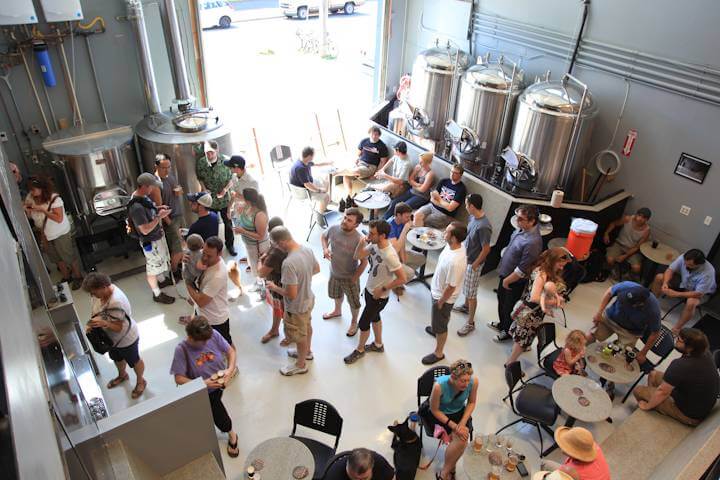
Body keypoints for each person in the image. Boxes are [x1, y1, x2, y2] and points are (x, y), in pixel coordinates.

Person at [170, 316, 239, 458]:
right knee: (217, 412)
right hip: (200, 390)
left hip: (218, 386)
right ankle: (231, 434)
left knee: (215, 409)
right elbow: (179, 378)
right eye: (202, 342)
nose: (206, 343)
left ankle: (231, 433)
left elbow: (230, 352)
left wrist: (230, 369)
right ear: (190, 337)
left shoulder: (213, 334)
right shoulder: (181, 350)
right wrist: (203, 384)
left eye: (207, 340)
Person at [344, 220, 407, 364]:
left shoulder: (389, 255)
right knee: (375, 317)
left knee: (364, 322)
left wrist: (384, 289)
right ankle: (378, 344)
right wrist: (362, 242)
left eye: (372, 233)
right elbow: (357, 256)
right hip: (370, 289)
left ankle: (360, 350)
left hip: (379, 296)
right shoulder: (374, 244)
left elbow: (402, 278)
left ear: (382, 235)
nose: (369, 235)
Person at [634, 328, 720, 426]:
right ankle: (655, 403)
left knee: (638, 391)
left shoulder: (681, 365)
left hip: (689, 415)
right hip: (694, 400)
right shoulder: (703, 352)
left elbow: (663, 391)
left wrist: (648, 406)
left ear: (690, 347)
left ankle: (652, 408)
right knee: (653, 375)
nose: (676, 340)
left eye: (679, 339)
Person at [266, 226, 320, 376]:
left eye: (275, 244)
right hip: (309, 298)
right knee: (307, 326)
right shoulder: (307, 250)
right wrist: (303, 280)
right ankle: (307, 352)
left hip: (296, 307)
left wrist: (274, 287)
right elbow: (316, 269)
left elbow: (291, 294)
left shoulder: (288, 263)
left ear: (282, 242)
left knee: (299, 336)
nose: (275, 247)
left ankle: (301, 364)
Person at [83, 273, 146, 399]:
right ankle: (122, 375)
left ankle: (141, 381)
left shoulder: (116, 302)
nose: (92, 295)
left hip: (126, 339)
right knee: (117, 358)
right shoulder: (100, 294)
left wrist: (104, 323)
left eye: (94, 292)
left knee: (134, 360)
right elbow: (98, 311)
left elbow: (118, 328)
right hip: (111, 339)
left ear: (104, 287)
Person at [505, 247, 571, 366]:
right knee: (522, 341)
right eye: (560, 265)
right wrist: (555, 302)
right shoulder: (542, 274)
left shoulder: (543, 270)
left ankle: (516, 352)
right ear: (552, 261)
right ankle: (510, 362)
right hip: (530, 313)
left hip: (532, 311)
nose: (562, 268)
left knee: (522, 336)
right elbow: (534, 298)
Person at [489, 204, 542, 342]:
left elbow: (523, 268)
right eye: (517, 217)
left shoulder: (533, 242)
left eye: (521, 219)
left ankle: (506, 331)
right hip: (505, 274)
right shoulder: (521, 229)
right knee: (501, 300)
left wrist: (507, 281)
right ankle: (502, 324)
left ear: (532, 221)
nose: (517, 221)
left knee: (509, 306)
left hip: (514, 281)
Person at [24, 176, 83, 290]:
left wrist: (42, 210)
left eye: (34, 189)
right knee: (55, 257)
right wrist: (28, 209)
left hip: (59, 232)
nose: (32, 192)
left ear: (42, 188)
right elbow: (28, 208)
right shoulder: (31, 197)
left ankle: (78, 277)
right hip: (45, 233)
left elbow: (58, 218)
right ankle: (66, 276)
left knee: (68, 255)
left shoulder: (54, 199)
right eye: (30, 189)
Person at [422, 222, 467, 365]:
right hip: (438, 292)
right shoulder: (454, 245)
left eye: (446, 231)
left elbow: (451, 287)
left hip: (443, 298)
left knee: (441, 325)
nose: (443, 233)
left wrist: (440, 303)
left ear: (453, 238)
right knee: (439, 321)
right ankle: (436, 329)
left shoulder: (456, 262)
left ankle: (439, 352)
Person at [425, 359, 478, 480]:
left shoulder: (473, 382)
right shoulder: (439, 386)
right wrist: (454, 426)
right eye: (463, 381)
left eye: (468, 380)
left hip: (459, 413)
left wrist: (462, 424)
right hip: (440, 414)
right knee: (461, 441)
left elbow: (472, 402)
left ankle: (444, 471)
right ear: (453, 378)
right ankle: (448, 470)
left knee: (462, 440)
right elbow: (434, 410)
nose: (466, 384)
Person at [128, 173, 175, 304]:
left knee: (159, 263)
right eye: (152, 187)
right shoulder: (136, 207)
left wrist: (159, 208)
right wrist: (159, 217)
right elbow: (144, 229)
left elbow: (149, 210)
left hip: (157, 237)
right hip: (151, 241)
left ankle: (162, 280)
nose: (153, 190)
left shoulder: (142, 197)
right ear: (144, 186)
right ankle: (157, 294)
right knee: (152, 268)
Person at [587, 281, 661, 363]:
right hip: (611, 318)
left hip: (630, 331)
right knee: (590, 336)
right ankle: (583, 358)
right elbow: (609, 293)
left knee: (619, 358)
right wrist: (599, 313)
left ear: (639, 304)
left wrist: (643, 353)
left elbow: (655, 333)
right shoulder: (626, 286)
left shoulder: (653, 309)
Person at [321, 208, 367, 336]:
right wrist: (325, 249)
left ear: (356, 225)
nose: (345, 221)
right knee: (336, 295)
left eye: (349, 220)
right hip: (334, 272)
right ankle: (337, 311)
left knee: (354, 302)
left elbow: (364, 263)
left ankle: (354, 322)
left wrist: (354, 278)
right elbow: (324, 237)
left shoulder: (359, 240)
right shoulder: (334, 228)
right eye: (345, 217)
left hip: (349, 277)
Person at [652, 249, 717, 335]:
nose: (686, 265)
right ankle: (651, 304)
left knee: (691, 302)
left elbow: (699, 293)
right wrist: (665, 283)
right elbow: (670, 270)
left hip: (702, 293)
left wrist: (676, 294)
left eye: (690, 265)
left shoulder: (708, 272)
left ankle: (676, 328)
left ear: (699, 264)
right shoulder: (683, 258)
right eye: (685, 262)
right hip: (684, 283)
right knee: (659, 277)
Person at [454, 194, 492, 336]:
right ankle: (465, 307)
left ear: (471, 206)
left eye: (466, 204)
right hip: (468, 259)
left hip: (474, 263)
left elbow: (486, 248)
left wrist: (475, 264)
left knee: (471, 293)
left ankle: (470, 323)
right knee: (467, 288)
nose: (465, 207)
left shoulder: (484, 226)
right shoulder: (473, 218)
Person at [186, 236, 231, 345]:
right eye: (203, 252)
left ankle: (232, 362)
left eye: (209, 256)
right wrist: (187, 263)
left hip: (215, 320)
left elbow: (201, 302)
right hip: (202, 314)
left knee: (225, 345)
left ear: (219, 254)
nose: (204, 257)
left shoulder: (218, 275)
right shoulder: (203, 256)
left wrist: (187, 281)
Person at [195, 140, 237, 256]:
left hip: (224, 200)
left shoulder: (226, 161)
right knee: (211, 225)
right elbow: (200, 178)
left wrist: (225, 190)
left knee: (228, 224)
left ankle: (230, 245)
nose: (209, 155)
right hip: (210, 200)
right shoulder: (201, 163)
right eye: (207, 153)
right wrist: (203, 188)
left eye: (212, 153)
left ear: (217, 151)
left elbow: (232, 178)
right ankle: (214, 249)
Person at [151, 154, 185, 277]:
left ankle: (178, 267)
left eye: (169, 167)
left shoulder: (170, 177)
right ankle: (174, 273)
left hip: (177, 215)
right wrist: (169, 223)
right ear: (156, 166)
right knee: (177, 250)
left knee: (178, 244)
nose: (167, 170)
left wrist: (179, 191)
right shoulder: (155, 184)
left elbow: (177, 191)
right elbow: (159, 208)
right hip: (170, 219)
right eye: (164, 168)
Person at [232, 188, 270, 291]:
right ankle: (259, 284)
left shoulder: (259, 215)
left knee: (261, 269)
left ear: (247, 200)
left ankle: (264, 290)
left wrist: (243, 231)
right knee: (254, 267)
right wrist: (239, 214)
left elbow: (260, 236)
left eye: (242, 196)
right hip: (249, 245)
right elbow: (240, 220)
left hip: (259, 246)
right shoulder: (246, 207)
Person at [258, 217, 288, 344]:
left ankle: (289, 335)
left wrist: (260, 261)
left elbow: (261, 273)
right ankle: (275, 329)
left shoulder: (276, 251)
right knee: (278, 309)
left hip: (280, 285)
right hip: (279, 282)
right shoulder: (284, 241)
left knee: (287, 311)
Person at [338, 126, 389, 201]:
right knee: (346, 176)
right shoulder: (364, 141)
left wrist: (375, 174)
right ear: (369, 134)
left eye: (376, 134)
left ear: (379, 135)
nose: (374, 136)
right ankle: (348, 196)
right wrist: (356, 160)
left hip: (370, 167)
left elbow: (383, 162)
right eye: (372, 134)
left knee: (356, 171)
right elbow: (358, 154)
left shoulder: (382, 146)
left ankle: (337, 172)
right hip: (360, 164)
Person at [540, 427, 610, 480]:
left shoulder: (569, 471)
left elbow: (566, 472)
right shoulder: (593, 446)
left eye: (564, 444)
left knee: (544, 463)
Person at [383, 151, 435, 220]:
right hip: (412, 191)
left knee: (403, 207)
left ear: (428, 163)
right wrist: (417, 185)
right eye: (420, 161)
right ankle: (383, 220)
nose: (420, 163)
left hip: (421, 196)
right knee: (394, 202)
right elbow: (410, 180)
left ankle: (392, 223)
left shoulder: (430, 174)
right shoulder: (418, 167)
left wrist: (414, 185)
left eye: (422, 162)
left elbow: (423, 190)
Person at [413, 163, 467, 230]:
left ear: (460, 175)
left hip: (445, 214)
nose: (452, 174)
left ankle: (422, 237)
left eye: (455, 173)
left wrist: (439, 199)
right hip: (431, 206)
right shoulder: (444, 181)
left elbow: (450, 208)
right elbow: (432, 198)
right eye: (451, 171)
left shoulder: (461, 189)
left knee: (425, 220)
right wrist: (443, 204)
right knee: (417, 215)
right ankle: (418, 237)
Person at [603, 207, 652, 278]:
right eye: (639, 215)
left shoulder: (646, 230)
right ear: (636, 214)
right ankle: (613, 269)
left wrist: (625, 256)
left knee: (636, 268)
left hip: (632, 249)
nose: (639, 218)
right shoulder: (628, 219)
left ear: (647, 220)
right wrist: (606, 233)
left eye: (643, 217)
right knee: (610, 259)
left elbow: (637, 247)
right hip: (619, 244)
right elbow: (613, 223)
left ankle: (627, 275)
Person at [387, 202, 425, 283]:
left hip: (396, 252)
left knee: (422, 258)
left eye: (409, 216)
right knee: (411, 273)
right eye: (406, 217)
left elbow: (402, 244)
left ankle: (400, 278)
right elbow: (396, 249)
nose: (408, 219)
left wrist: (403, 261)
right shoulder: (389, 226)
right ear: (398, 215)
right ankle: (395, 282)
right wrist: (405, 229)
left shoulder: (402, 223)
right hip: (389, 256)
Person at [290, 146, 332, 216]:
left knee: (324, 180)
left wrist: (329, 163)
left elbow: (317, 164)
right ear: (309, 156)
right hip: (302, 191)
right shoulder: (301, 168)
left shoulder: (303, 160)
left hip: (306, 183)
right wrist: (319, 190)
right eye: (313, 155)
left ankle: (324, 206)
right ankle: (321, 215)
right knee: (326, 196)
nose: (314, 157)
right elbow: (307, 185)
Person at [323, 448, 395, 480]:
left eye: (364, 479)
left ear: (372, 466)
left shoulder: (379, 462)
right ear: (347, 466)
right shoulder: (333, 476)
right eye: (354, 478)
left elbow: (391, 477)